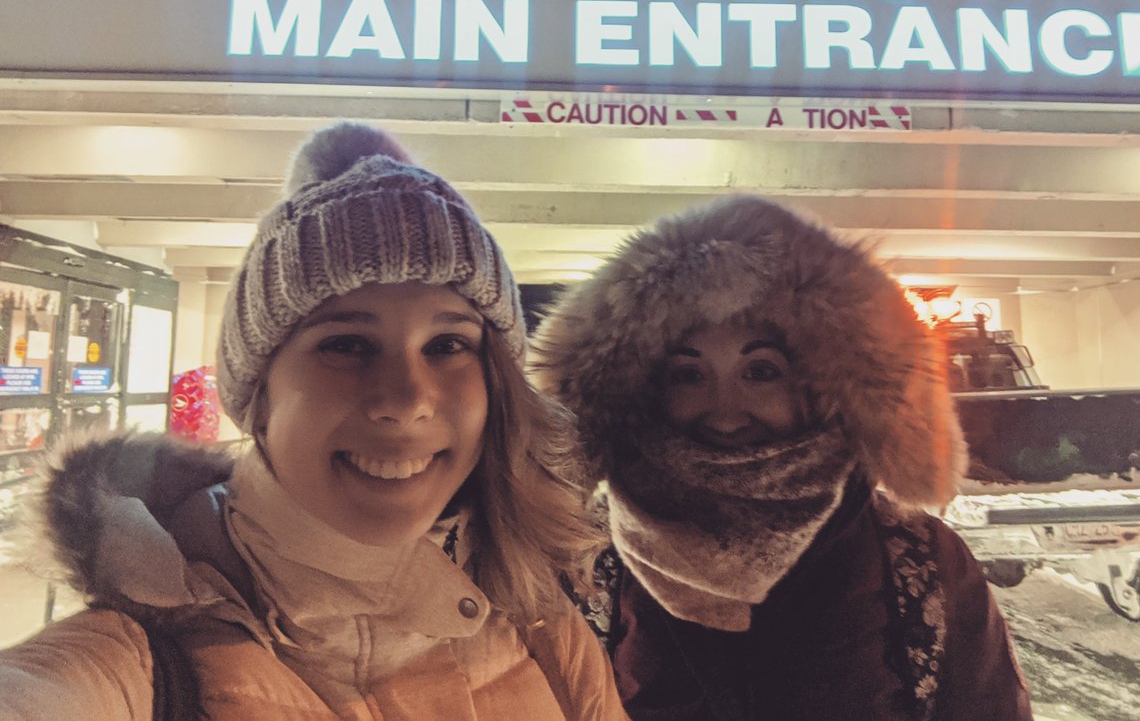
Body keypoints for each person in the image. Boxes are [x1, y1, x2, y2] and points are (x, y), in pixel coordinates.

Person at [0, 122, 626, 720]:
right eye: (347, 344)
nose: (407, 399)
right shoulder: (128, 663)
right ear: (261, 392)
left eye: (448, 345)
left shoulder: (538, 615)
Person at [529, 194, 1033, 721]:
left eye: (760, 372)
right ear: (643, 389)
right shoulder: (580, 561)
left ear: (817, 386)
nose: (725, 413)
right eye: (688, 375)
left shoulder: (918, 560)